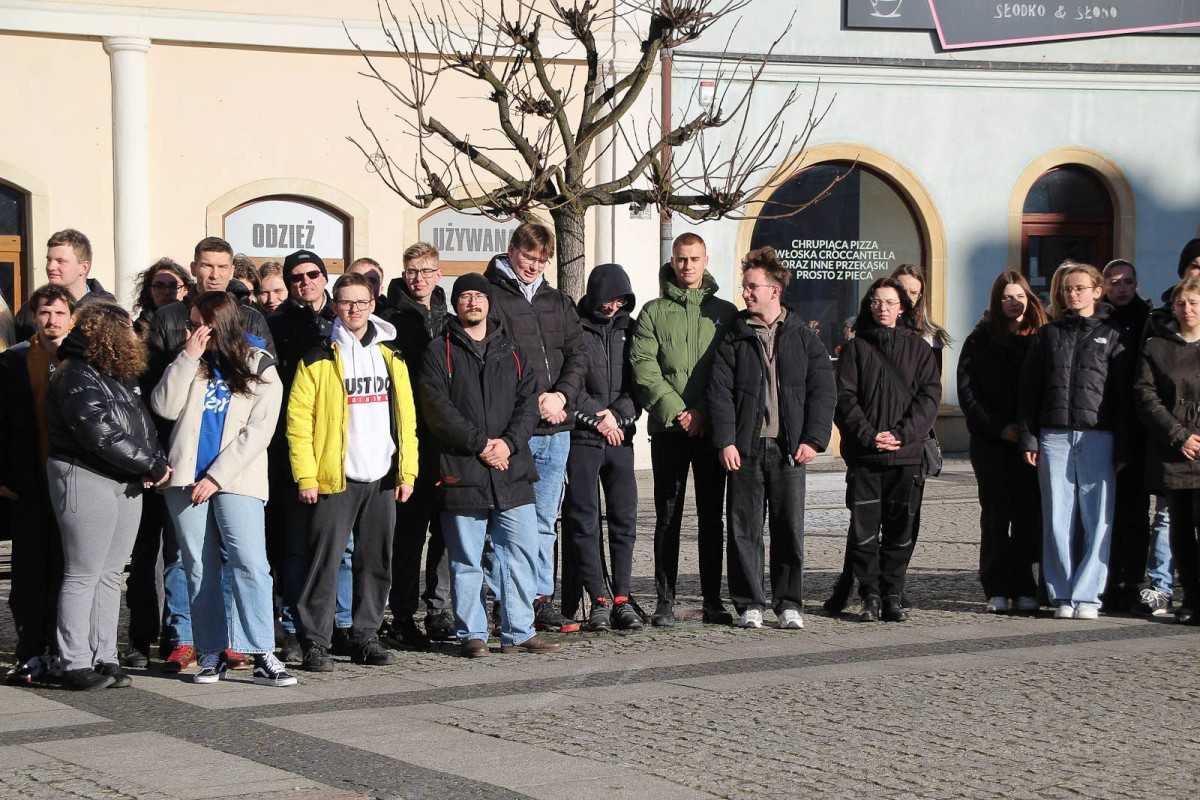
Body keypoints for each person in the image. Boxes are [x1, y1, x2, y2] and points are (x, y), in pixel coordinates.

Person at [145, 236, 275, 673]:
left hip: (235, 478)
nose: (188, 329)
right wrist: (185, 357)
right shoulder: (189, 359)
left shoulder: (257, 362)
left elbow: (260, 429)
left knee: (250, 563)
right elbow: (162, 406)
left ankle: (261, 650)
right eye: (188, 324)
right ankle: (211, 651)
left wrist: (217, 476)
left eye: (196, 324)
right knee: (198, 567)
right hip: (185, 477)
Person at [418, 273, 560, 656]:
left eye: (479, 296)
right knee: (465, 558)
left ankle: (519, 630)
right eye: (465, 296)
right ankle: (473, 635)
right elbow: (437, 410)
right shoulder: (438, 351)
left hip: (511, 470)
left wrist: (508, 444)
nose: (473, 302)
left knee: (521, 550)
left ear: (488, 303)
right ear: (456, 303)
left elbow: (528, 404)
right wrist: (480, 444)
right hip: (462, 469)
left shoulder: (511, 350)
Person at [287, 272, 418, 672]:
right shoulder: (318, 358)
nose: (354, 309)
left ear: (373, 304)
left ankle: (365, 635)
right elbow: (298, 420)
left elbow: (407, 420)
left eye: (361, 302)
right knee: (324, 563)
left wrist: (407, 473)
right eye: (346, 302)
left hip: (381, 477)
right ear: (335, 306)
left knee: (376, 562)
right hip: (335, 477)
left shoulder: (392, 357)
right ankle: (315, 641)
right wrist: (306, 477)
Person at [709, 247, 835, 630]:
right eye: (745, 286)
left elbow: (824, 391)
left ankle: (788, 603)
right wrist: (726, 441)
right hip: (745, 449)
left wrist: (813, 439)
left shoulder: (803, 336)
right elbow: (720, 391)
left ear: (774, 290)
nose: (745, 293)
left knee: (788, 528)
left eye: (752, 286)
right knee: (744, 529)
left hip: (789, 449)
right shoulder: (734, 334)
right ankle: (750, 603)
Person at [46, 302, 171, 690]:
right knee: (83, 573)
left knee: (110, 573)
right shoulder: (75, 373)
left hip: (125, 480)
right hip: (85, 475)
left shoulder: (120, 374)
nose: (136, 335)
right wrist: (149, 464)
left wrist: (154, 461)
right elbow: (96, 432)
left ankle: (105, 657)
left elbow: (143, 426)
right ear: (110, 333)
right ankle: (74, 661)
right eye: (128, 330)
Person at [826, 263, 949, 613]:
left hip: (905, 454)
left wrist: (900, 435)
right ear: (869, 306)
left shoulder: (920, 349)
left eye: (890, 302)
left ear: (902, 308)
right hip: (866, 456)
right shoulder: (855, 348)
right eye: (877, 301)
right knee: (864, 532)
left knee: (900, 530)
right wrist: (868, 435)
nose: (883, 308)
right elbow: (844, 397)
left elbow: (928, 398)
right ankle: (869, 595)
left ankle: (893, 594)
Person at [630, 232, 738, 626]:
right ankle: (665, 601)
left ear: (706, 260)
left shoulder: (725, 313)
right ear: (672, 261)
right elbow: (644, 367)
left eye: (694, 258)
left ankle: (713, 600)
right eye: (681, 259)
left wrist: (705, 412)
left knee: (712, 517)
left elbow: (730, 371)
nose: (687, 265)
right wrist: (679, 411)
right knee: (668, 516)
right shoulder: (653, 312)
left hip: (711, 430)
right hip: (669, 430)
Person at [484, 222, 587, 632]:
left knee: (545, 520)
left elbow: (578, 355)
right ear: (512, 251)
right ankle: (499, 599)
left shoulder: (557, 300)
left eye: (542, 260)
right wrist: (534, 403)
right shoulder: (490, 296)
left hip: (557, 429)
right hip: (515, 430)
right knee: (505, 519)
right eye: (528, 257)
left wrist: (562, 396)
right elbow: (495, 360)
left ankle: (538, 596)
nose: (533, 266)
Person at [1020, 261, 1131, 620]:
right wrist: (1029, 438)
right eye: (1067, 289)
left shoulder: (1113, 335)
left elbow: (1123, 396)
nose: (1073, 294)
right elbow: (1029, 390)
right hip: (1053, 435)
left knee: (1097, 518)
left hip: (1098, 435)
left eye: (1080, 288)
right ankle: (1061, 594)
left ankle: (1089, 595)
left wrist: (1124, 445)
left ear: (1097, 291)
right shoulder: (1048, 335)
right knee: (1056, 517)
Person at [266, 249, 346, 662]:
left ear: (324, 276)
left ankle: (339, 624)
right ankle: (295, 627)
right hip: (290, 448)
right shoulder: (275, 325)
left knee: (338, 546)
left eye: (313, 273)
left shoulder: (343, 322)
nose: (305, 281)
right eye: (296, 277)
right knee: (294, 545)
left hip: (340, 448)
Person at [957, 272, 1047, 614]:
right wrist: (999, 428)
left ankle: (1025, 586)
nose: (1014, 302)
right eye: (1007, 296)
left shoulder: (1040, 337)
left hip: (1030, 441)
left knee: (1027, 515)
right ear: (997, 301)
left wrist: (1026, 432)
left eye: (1019, 295)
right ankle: (995, 586)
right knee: (995, 516)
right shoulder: (979, 340)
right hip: (991, 443)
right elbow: (969, 394)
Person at [561, 263, 643, 631]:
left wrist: (618, 417)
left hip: (620, 438)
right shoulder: (574, 328)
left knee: (624, 519)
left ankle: (622, 597)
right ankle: (597, 598)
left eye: (620, 300)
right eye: (608, 300)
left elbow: (641, 381)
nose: (613, 307)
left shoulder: (632, 328)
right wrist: (599, 416)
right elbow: (570, 383)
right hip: (584, 439)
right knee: (584, 520)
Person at [380, 243, 453, 645]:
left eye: (426, 271)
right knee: (407, 535)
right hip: (405, 440)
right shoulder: (388, 321)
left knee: (445, 531)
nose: (418, 278)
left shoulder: (450, 319)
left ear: (438, 274)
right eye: (411, 271)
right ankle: (403, 612)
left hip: (445, 440)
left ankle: (438, 610)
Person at [1, 285, 74, 685]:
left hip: (73, 483)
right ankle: (30, 652)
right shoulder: (12, 362)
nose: (52, 321)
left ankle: (65, 651)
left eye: (60, 313)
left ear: (72, 317)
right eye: (45, 312)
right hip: (27, 483)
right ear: (32, 316)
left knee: (68, 571)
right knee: (28, 574)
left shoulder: (83, 358)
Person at [1137, 276, 1200, 625]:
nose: (1187, 309)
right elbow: (1146, 396)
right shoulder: (1156, 346)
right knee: (1179, 529)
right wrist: (1179, 436)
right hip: (1174, 450)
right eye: (1181, 304)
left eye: (1193, 303)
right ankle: (1189, 596)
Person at [1097, 259, 1159, 613]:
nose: (1122, 288)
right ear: (1104, 285)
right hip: (1102, 424)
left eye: (1128, 281)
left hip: (1138, 428)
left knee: (1135, 513)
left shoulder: (1149, 320)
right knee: (1102, 512)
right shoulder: (1098, 319)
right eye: (1115, 282)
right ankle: (1103, 582)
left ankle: (1132, 583)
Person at [12, 229, 116, 342]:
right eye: (49, 260)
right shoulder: (30, 309)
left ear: (84, 267)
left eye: (60, 261)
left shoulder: (106, 311)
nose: (50, 267)